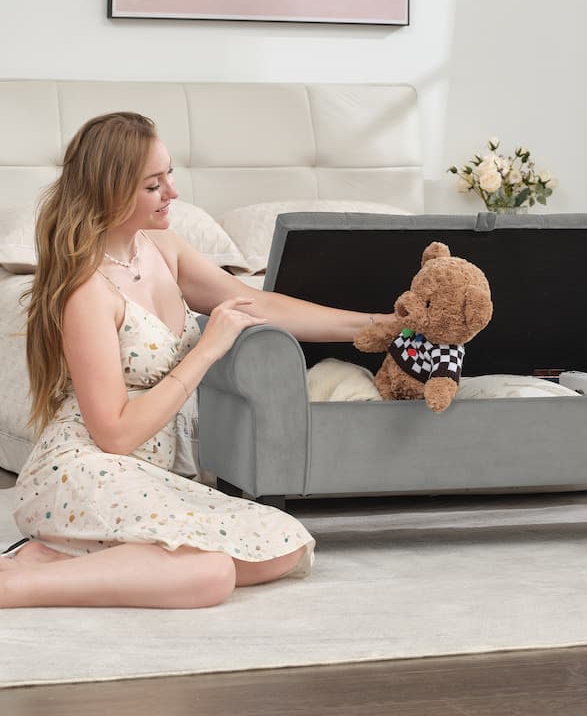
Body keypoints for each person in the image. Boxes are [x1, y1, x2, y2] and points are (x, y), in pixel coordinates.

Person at [0, 112, 390, 608]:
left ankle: (54, 557)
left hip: (149, 476)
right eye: (153, 184)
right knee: (209, 574)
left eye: (169, 174)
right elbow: (114, 435)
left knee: (284, 545)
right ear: (110, 189)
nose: (173, 193)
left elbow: (261, 305)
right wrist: (206, 350)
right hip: (86, 468)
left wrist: (376, 325)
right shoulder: (86, 290)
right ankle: (16, 586)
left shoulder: (164, 249)